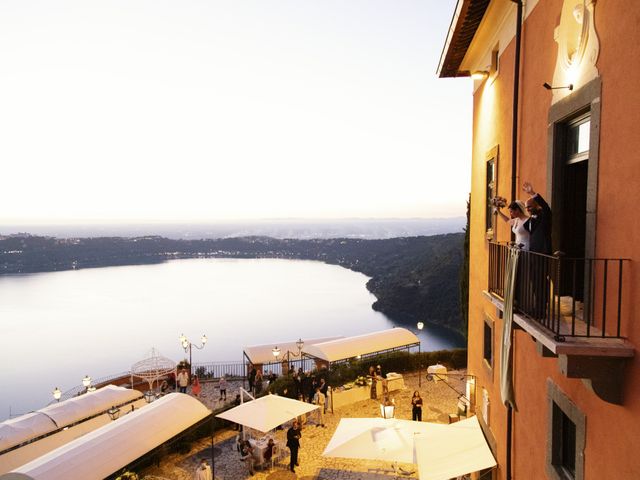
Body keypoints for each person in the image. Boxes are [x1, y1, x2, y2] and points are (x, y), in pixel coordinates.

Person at [523, 181, 552, 255]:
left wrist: (532, 193)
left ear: (537, 206)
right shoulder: (529, 220)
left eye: (529, 207)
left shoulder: (544, 215)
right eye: (526, 208)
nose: (527, 209)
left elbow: (545, 206)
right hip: (533, 252)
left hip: (543, 253)